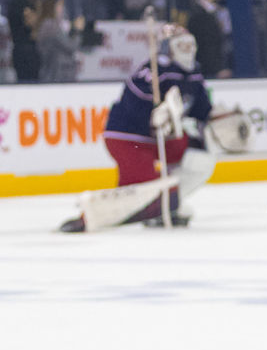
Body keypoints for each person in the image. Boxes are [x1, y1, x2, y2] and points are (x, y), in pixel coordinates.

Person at [60, 25, 213, 232]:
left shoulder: (194, 73)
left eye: (190, 44)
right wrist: (151, 116)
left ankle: (165, 203)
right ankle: (102, 214)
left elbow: (201, 110)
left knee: (199, 158)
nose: (187, 50)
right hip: (128, 139)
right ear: (168, 47)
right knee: (142, 188)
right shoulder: (152, 71)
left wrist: (217, 118)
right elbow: (133, 104)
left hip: (160, 140)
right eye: (181, 45)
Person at [34, 0, 80, 82]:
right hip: (56, 75)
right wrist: (77, 30)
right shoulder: (50, 26)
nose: (62, 9)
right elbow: (71, 46)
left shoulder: (52, 25)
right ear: (52, 8)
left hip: (58, 74)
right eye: (60, 6)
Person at [7, 0, 41, 82]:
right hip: (24, 53)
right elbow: (31, 24)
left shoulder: (33, 1)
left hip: (33, 51)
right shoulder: (17, 3)